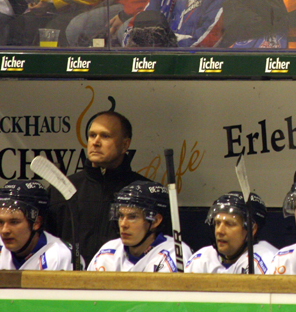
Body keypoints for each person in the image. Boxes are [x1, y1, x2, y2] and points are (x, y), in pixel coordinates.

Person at [47, 111, 149, 263]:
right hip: (68, 283)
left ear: (125, 144)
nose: (95, 142)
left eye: (105, 136)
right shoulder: (61, 189)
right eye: (92, 135)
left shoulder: (146, 193)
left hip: (125, 283)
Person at [87, 181, 192, 272]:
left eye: (132, 217)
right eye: (120, 216)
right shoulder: (108, 251)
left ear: (155, 221)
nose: (123, 224)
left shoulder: (174, 254)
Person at [186, 191, 278, 274]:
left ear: (252, 229)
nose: (219, 231)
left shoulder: (267, 262)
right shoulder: (201, 259)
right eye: (217, 223)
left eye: (229, 224)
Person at [0, 180, 73, 271]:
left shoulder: (59, 256)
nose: (4, 230)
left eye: (14, 222)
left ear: (36, 223)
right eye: (1, 222)